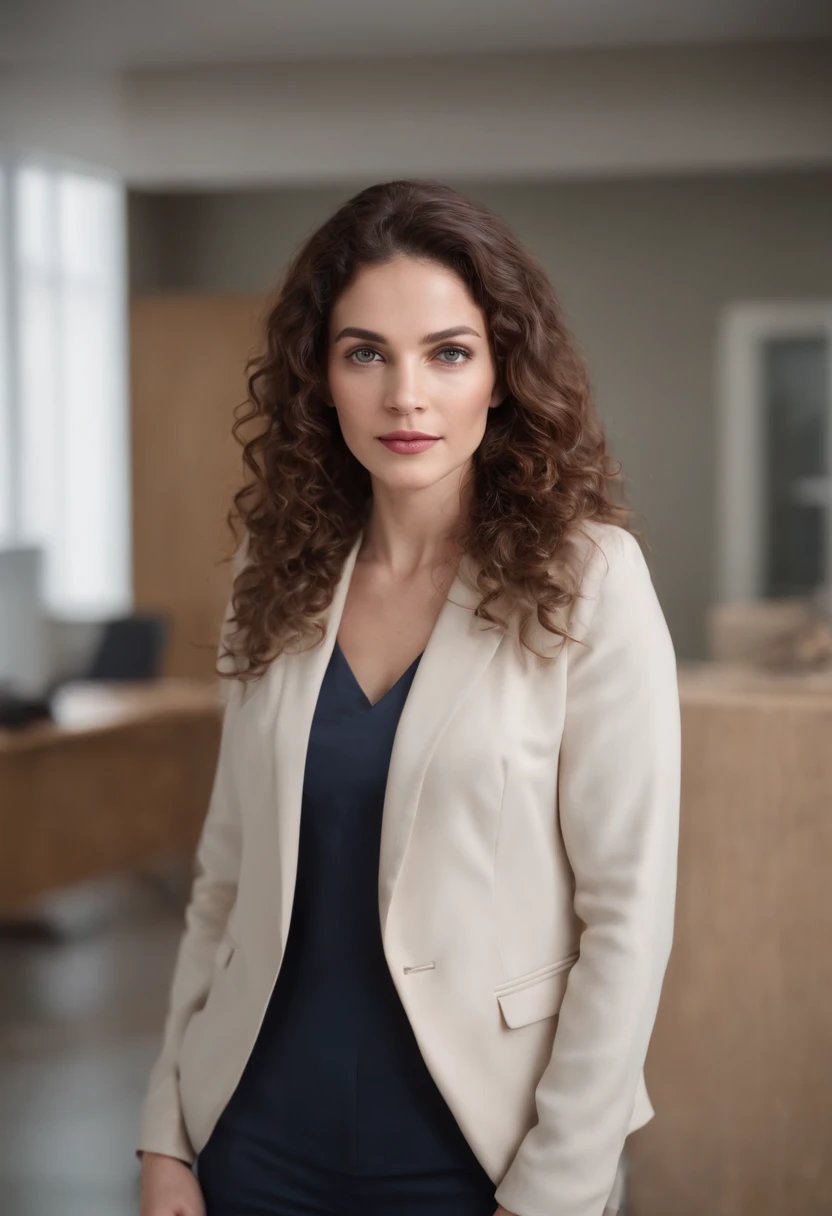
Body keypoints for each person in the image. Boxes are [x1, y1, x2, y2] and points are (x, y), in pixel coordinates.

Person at [136, 178, 680, 1216]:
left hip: (481, 1150)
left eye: (447, 351)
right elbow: (223, 878)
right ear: (320, 378)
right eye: (364, 353)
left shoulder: (590, 578)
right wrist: (167, 1131)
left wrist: (557, 1188)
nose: (405, 397)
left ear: (501, 374)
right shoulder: (273, 572)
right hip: (253, 1139)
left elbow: (628, 918)